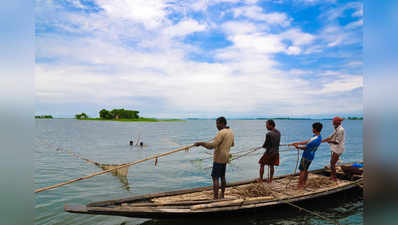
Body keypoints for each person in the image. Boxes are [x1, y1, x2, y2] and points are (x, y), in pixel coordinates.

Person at [194, 117, 235, 199]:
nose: (216, 126)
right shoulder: (231, 132)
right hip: (226, 157)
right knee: (222, 176)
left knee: (215, 177)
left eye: (217, 124)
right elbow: (232, 144)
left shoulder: (221, 132)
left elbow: (212, 146)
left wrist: (201, 143)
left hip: (219, 158)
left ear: (222, 123)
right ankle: (222, 195)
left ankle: (215, 198)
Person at [289, 122, 323, 189]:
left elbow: (305, 147)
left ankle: (299, 185)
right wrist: (298, 143)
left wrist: (297, 147)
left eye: (313, 128)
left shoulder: (314, 139)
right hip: (311, 156)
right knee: (306, 170)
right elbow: (307, 142)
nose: (312, 129)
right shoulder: (319, 137)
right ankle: (304, 183)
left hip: (306, 156)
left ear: (315, 129)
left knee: (302, 171)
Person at [322, 116, 345, 182]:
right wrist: (321, 141)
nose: (333, 123)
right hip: (336, 149)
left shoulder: (340, 130)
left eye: (334, 122)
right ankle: (332, 176)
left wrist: (329, 141)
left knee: (332, 163)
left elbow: (337, 142)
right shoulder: (337, 129)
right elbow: (330, 137)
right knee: (332, 163)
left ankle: (334, 178)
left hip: (338, 149)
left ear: (336, 122)